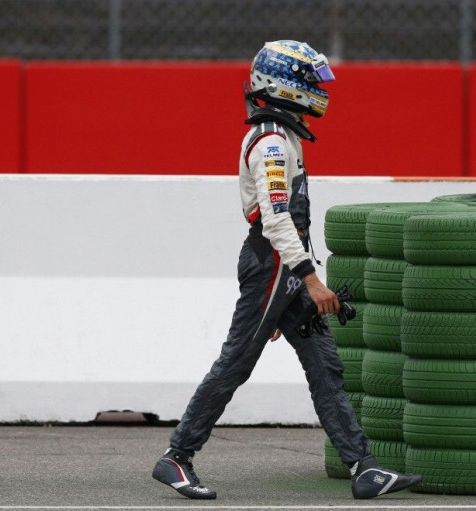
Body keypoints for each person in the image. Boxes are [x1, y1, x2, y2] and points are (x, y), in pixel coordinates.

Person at [151, 40, 421, 500]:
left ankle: (364, 468)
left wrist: (288, 295)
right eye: (311, 81)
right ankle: (176, 457)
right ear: (285, 85)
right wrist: (310, 280)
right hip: (274, 266)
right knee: (236, 362)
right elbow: (276, 219)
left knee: (326, 366)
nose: (319, 90)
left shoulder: (282, 134)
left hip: (281, 272)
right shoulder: (273, 141)